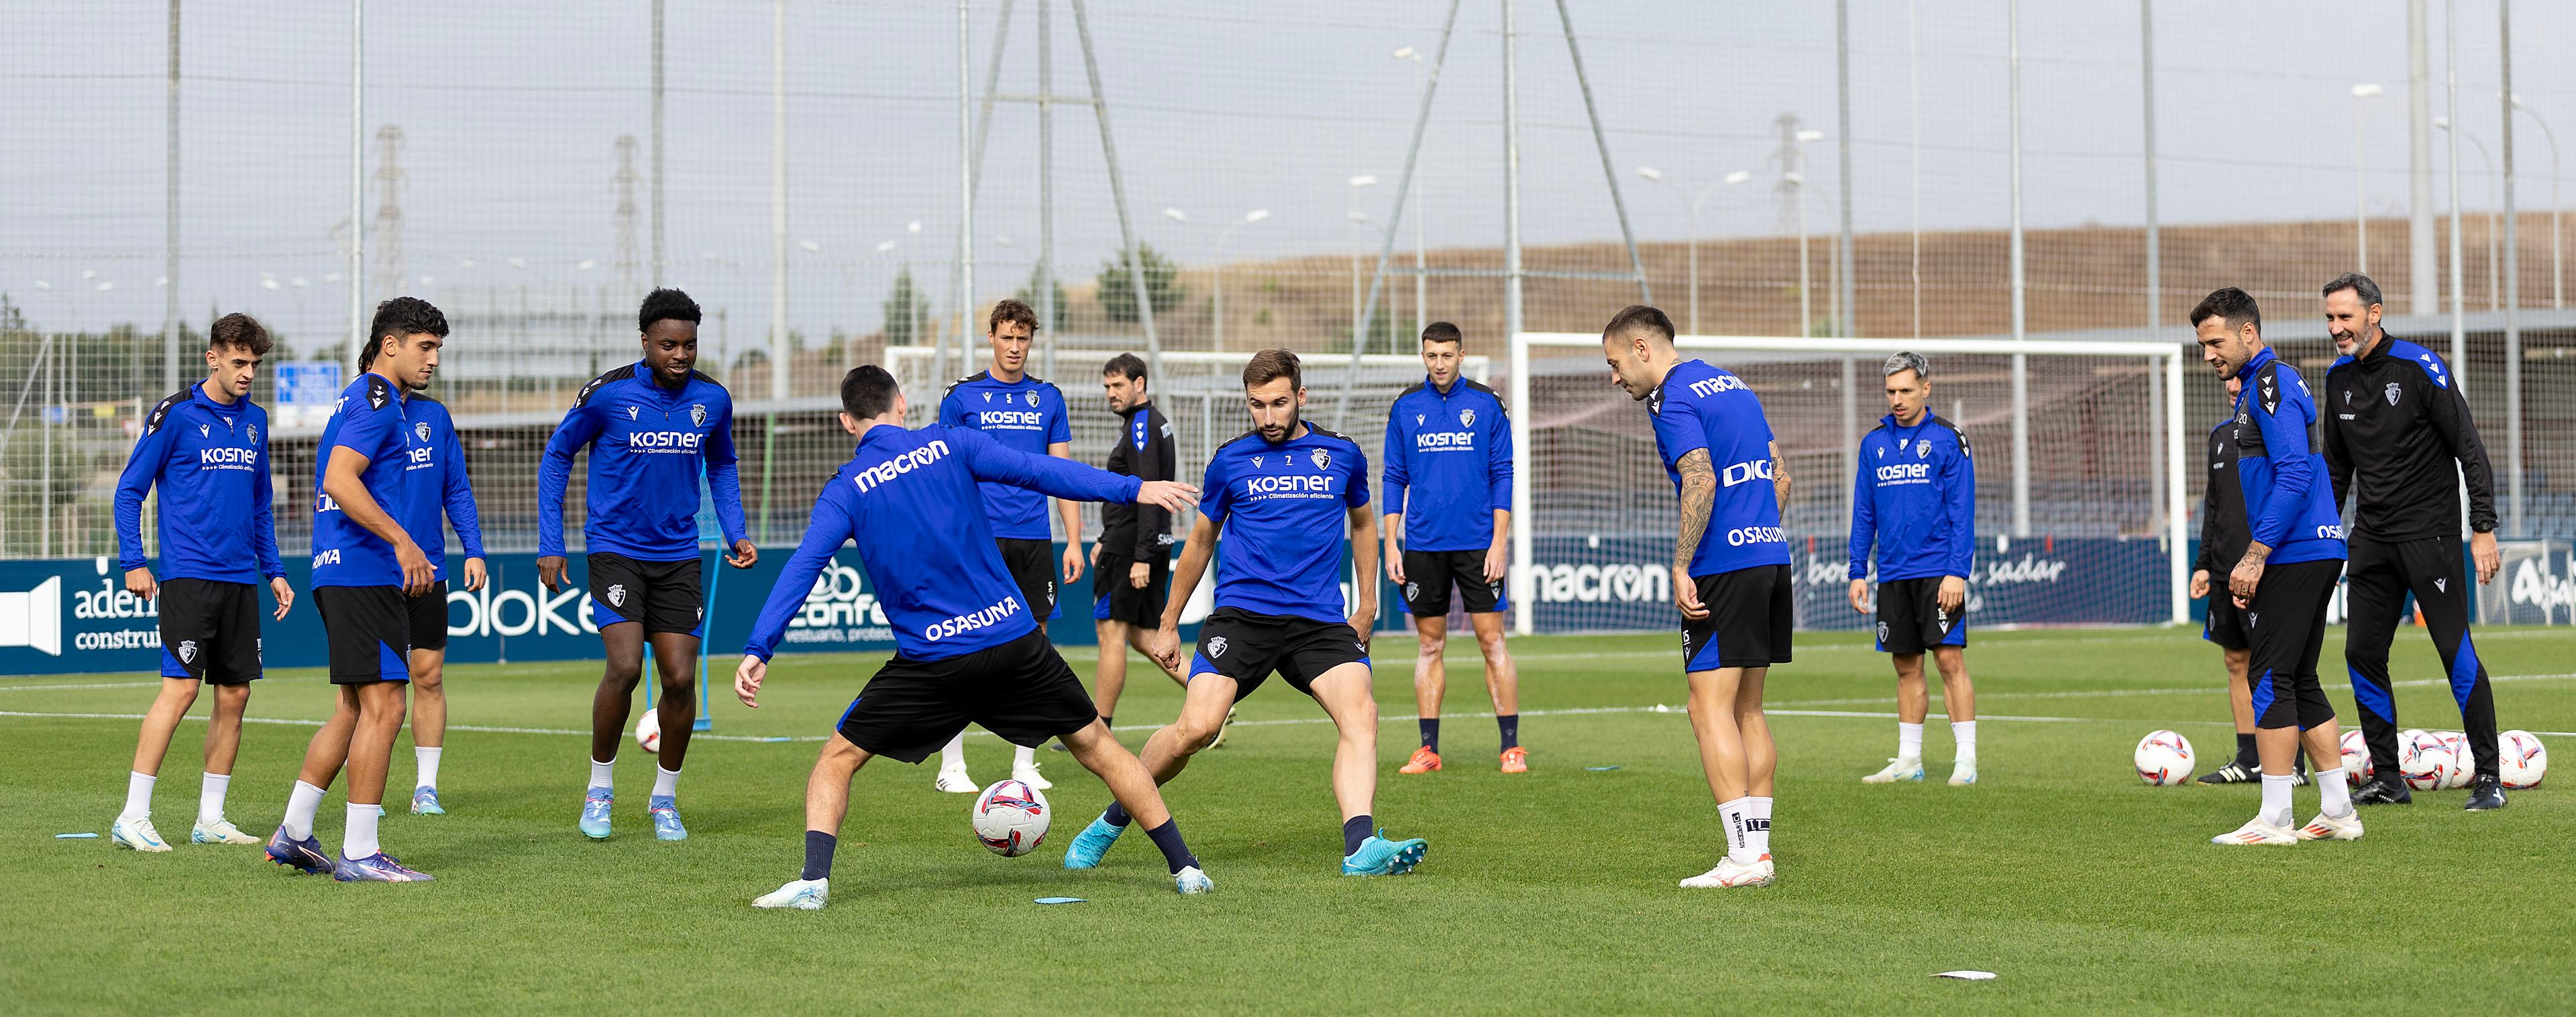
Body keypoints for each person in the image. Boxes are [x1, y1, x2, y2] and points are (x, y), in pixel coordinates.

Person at [736, 366, 1212, 909]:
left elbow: (804, 566)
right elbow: (1042, 471)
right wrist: (1135, 488)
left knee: (838, 759)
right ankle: (1186, 868)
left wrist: (759, 648)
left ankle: (814, 882)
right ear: (904, 405)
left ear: (848, 422)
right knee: (1099, 747)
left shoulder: (846, 488)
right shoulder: (953, 443)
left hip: (933, 662)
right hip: (1014, 644)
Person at [1061, 349, 1430, 877]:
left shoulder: (1341, 454)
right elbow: (1201, 542)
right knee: (1197, 729)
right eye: (1257, 405)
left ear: (1301, 397)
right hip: (1243, 618)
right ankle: (1113, 819)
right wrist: (1168, 623)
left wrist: (1367, 603)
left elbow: (1365, 524)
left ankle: (1359, 847)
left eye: (1280, 403)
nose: (1269, 417)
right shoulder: (1231, 460)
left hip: (1319, 623)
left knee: (1362, 715)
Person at [537, 288, 756, 842]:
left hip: (680, 556)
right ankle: (600, 789)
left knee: (680, 678)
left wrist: (736, 531)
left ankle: (664, 800)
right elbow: (557, 455)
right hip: (615, 550)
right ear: (645, 342)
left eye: (689, 345)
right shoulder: (608, 394)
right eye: (668, 345)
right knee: (628, 667)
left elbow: (723, 463)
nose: (680, 355)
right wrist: (551, 541)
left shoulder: (714, 400)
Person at [1601, 305, 1791, 888]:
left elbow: (1701, 477)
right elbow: (1781, 477)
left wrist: (1684, 562)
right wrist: (1756, 535)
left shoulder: (1674, 399)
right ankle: (1758, 853)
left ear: (1641, 347)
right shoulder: (1735, 385)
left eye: (1614, 364)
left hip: (1723, 565)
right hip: (1769, 556)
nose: (1615, 378)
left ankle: (1742, 859)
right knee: (1748, 710)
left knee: (1706, 709)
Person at [263, 297, 445, 881]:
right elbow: (340, 479)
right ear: (390, 345)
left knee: (352, 708)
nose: (434, 359)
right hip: (363, 571)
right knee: (389, 705)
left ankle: (294, 832)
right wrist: (403, 540)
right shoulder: (380, 398)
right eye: (425, 346)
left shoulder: (354, 395)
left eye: (438, 348)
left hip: (337, 569)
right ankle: (361, 854)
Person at [2318, 272, 2506, 811]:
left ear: (2374, 314)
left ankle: (2489, 777)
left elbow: (2468, 446)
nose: (2336, 328)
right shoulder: (2337, 380)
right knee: (2361, 653)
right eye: (2330, 318)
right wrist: (2328, 541)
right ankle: (2388, 778)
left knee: (2454, 650)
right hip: (2372, 540)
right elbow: (2336, 472)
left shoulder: (2419, 367)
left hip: (2432, 535)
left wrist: (2484, 528)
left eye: (2345, 317)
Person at [108, 313, 292, 851]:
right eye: (239, 362)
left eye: (255, 365)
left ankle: (210, 819)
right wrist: (134, 562)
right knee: (182, 690)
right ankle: (133, 815)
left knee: (234, 695)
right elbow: (129, 491)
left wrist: (275, 571)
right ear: (212, 357)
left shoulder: (256, 421)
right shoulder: (177, 414)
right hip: (189, 577)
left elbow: (261, 505)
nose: (248, 374)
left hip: (241, 581)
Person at [2189, 287, 2361, 846]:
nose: (2209, 354)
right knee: (2300, 678)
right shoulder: (2265, 386)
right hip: (2310, 546)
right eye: (2202, 345)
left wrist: (2257, 553)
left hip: (2294, 550)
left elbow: (2294, 475)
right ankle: (2337, 810)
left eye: (2215, 342)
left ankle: (2275, 818)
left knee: (2267, 677)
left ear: (2247, 332)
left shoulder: (2271, 383)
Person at [932, 299, 1083, 792]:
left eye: (1023, 339)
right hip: (976, 538)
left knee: (1034, 648)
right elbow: (945, 473)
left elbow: (1063, 475)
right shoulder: (962, 397)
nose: (1015, 347)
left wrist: (1074, 540)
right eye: (1006, 338)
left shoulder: (1049, 398)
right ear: (991, 339)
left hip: (1034, 539)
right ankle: (951, 766)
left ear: (1030, 342)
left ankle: (1024, 763)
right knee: (961, 640)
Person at [1381, 322, 1524, 775]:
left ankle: (1511, 747)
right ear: (1423, 356)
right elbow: (1392, 478)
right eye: (1431, 356)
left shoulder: (1486, 404)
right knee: (1429, 646)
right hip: (1423, 546)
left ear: (1462, 354)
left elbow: (1504, 473)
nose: (1438, 363)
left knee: (1492, 641)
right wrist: (1392, 544)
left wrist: (1500, 542)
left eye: (1446, 355)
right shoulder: (1406, 407)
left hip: (1480, 545)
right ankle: (1428, 750)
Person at [1846, 352, 1980, 786]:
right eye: (1891, 392)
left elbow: (1963, 511)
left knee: (1948, 660)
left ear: (1926, 388)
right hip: (1892, 573)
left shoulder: (1947, 439)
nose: (1898, 400)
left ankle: (1966, 760)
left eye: (1906, 390)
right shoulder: (1874, 444)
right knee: (1906, 666)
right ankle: (1909, 761)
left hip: (1939, 570)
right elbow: (1864, 513)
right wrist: (1856, 571)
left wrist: (1957, 571)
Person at [2194, 377, 2309, 788]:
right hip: (2226, 570)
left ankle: (2292, 763)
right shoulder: (2219, 436)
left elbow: (2297, 487)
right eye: (2227, 379)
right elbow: (2214, 504)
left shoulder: (2276, 431)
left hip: (2267, 567)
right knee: (2235, 662)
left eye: (2240, 377)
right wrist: (2204, 563)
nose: (2233, 384)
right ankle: (2248, 758)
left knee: (2278, 667)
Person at [388, 336, 485, 816]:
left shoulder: (436, 417)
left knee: (427, 675)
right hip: (374, 571)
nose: (434, 361)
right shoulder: (360, 410)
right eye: (426, 349)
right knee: (373, 687)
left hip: (429, 570)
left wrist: (474, 549)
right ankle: (369, 786)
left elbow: (457, 489)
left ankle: (426, 788)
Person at [1089, 353, 1193, 737]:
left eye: (1118, 386)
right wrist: (1104, 537)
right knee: (1141, 634)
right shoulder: (1150, 423)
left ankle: (1100, 728)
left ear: (1140, 384)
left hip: (1133, 548)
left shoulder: (1141, 427)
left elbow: (1148, 492)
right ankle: (1210, 694)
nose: (1111, 394)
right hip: (1137, 542)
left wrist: (1141, 557)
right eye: (1107, 387)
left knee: (1111, 632)